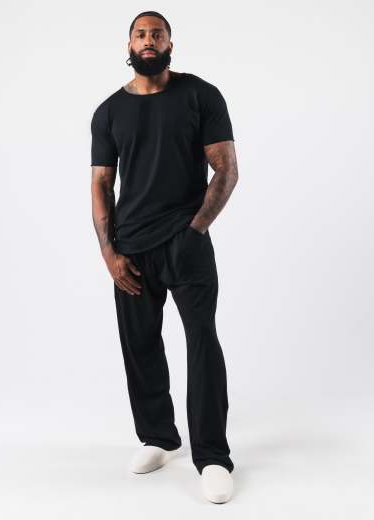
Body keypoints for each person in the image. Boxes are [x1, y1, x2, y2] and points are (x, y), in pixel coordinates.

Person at [90, 10, 239, 504]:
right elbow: (101, 185)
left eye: (157, 33)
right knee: (140, 345)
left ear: (170, 43)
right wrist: (109, 252)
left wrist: (195, 231)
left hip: (186, 242)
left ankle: (212, 456)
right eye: (141, 34)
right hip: (131, 248)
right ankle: (158, 435)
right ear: (129, 45)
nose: (148, 40)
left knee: (202, 342)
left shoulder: (200, 95)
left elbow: (226, 169)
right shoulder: (108, 112)